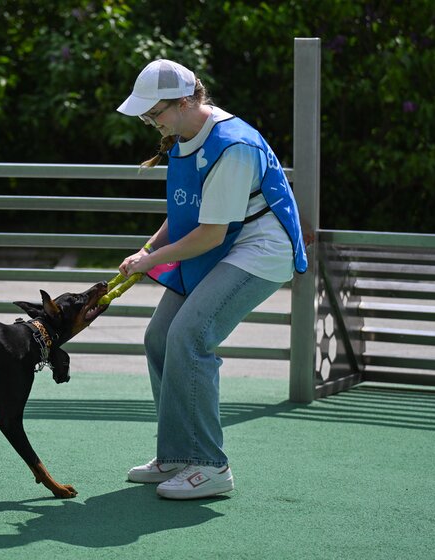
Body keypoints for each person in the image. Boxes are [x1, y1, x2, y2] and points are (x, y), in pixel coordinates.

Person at [115, 59, 308, 499]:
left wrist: (151, 262)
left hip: (260, 249)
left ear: (184, 102)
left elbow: (209, 234)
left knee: (190, 335)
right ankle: (179, 454)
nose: (150, 122)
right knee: (160, 337)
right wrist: (146, 251)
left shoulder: (232, 146)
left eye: (154, 113)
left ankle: (210, 465)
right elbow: (186, 212)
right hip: (223, 239)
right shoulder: (184, 134)